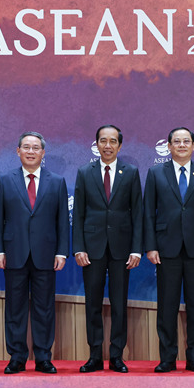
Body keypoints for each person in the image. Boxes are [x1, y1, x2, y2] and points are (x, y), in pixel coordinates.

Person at [0, 132, 69, 374]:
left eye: (36, 148)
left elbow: (62, 221)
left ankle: (43, 357)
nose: (31, 151)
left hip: (46, 254)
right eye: (26, 147)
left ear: (43, 153)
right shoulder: (4, 180)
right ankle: (17, 357)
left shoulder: (57, 181)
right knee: (15, 308)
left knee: (44, 308)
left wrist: (62, 252)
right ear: (18, 151)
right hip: (14, 253)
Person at [144, 127, 194, 373]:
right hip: (167, 248)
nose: (182, 145)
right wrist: (150, 246)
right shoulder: (156, 173)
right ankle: (167, 358)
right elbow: (148, 213)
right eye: (177, 141)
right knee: (167, 306)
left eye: (186, 141)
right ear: (169, 146)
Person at [72, 125, 142, 373]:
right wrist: (78, 247)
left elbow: (138, 212)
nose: (108, 145)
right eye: (103, 140)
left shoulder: (131, 172)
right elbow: (78, 213)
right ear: (97, 144)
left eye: (113, 141)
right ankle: (94, 356)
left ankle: (116, 356)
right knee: (92, 303)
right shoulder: (85, 172)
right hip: (92, 249)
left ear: (119, 146)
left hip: (122, 249)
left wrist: (136, 249)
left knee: (119, 303)